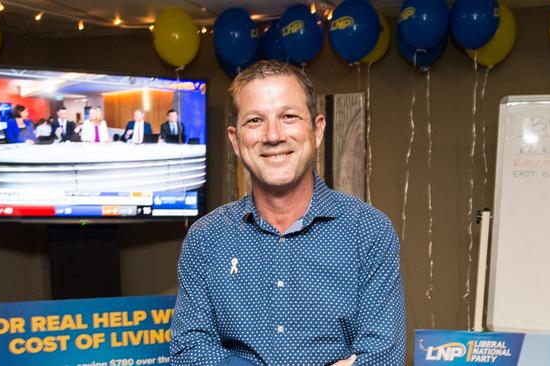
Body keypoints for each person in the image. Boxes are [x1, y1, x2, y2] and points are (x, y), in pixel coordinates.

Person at [170, 60, 406, 366]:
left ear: (317, 129)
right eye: (255, 120)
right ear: (235, 141)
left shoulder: (368, 232)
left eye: (289, 116)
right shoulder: (206, 239)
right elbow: (189, 352)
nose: (273, 135)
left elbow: (382, 358)